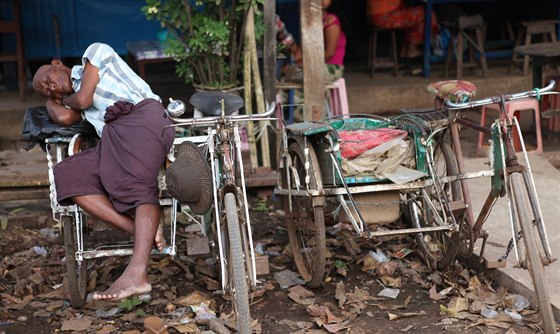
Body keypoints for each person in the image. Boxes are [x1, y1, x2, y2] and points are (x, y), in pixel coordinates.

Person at [32, 42, 175, 301]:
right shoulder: (72, 103)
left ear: (56, 63)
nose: (50, 87)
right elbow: (64, 119)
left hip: (142, 119)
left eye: (47, 80)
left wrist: (61, 98)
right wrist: (53, 99)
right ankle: (139, 230)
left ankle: (137, 274)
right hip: (112, 137)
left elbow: (84, 99)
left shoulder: (95, 53)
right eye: (45, 91)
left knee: (137, 185)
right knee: (68, 174)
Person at [367, 0, 439, 59]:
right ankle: (412, 48)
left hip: (373, 17)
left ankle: (405, 48)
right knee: (427, 13)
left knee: (409, 13)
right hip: (384, 17)